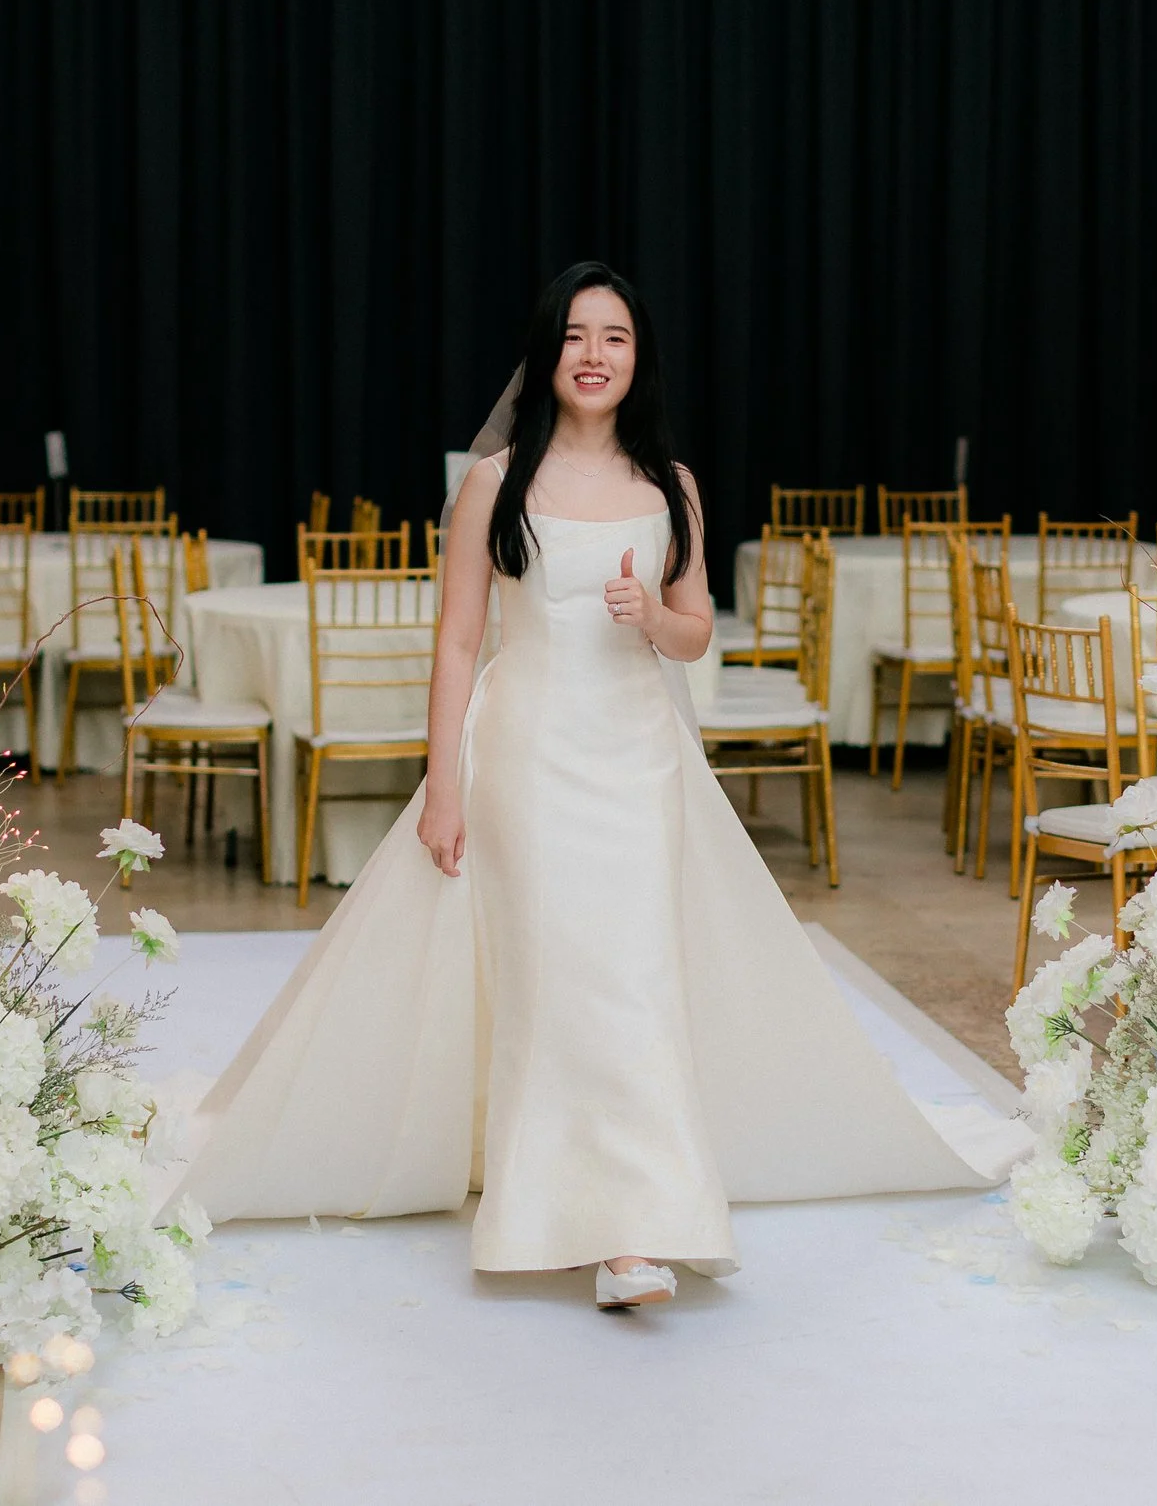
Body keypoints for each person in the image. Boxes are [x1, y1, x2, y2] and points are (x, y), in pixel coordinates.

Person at [168, 264, 1021, 1308]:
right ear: (546, 352)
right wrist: (446, 780)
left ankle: (638, 1218)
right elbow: (456, 641)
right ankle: (566, 1200)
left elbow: (697, 623)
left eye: (614, 336)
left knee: (634, 972)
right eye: (575, 335)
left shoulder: (673, 484)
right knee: (549, 968)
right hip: (525, 749)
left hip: (637, 753)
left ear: (636, 357)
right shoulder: (491, 485)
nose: (594, 354)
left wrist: (650, 620)